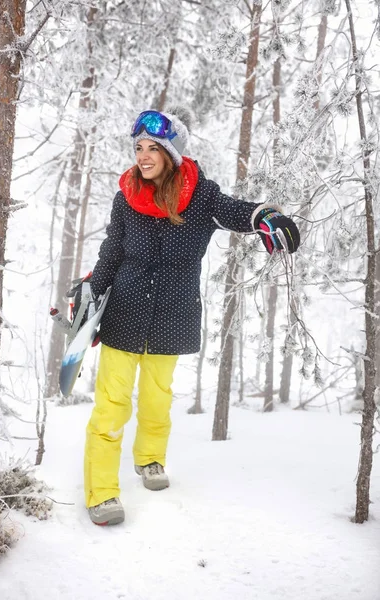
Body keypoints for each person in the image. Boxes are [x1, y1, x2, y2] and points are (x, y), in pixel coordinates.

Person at [84, 108, 300, 526]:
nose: (143, 156)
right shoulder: (125, 196)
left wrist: (264, 216)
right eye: (138, 148)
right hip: (124, 311)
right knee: (110, 406)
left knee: (157, 397)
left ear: (172, 153)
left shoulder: (199, 196)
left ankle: (149, 460)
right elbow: (112, 250)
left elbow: (235, 211)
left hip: (171, 314)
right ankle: (102, 491)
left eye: (153, 148)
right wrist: (91, 293)